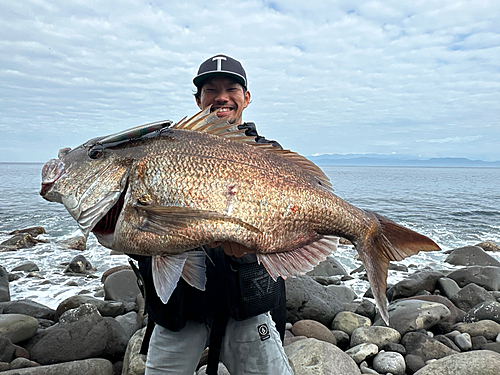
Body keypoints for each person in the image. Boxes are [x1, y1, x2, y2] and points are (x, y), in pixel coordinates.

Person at [129, 54, 293, 375]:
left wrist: (259, 241)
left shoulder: (269, 155)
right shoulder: (165, 150)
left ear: (246, 97)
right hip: (179, 310)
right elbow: (135, 230)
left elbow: (286, 230)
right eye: (210, 90)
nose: (221, 97)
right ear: (197, 99)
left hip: (247, 308)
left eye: (231, 88)